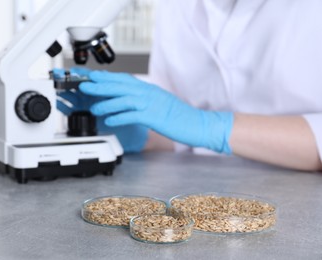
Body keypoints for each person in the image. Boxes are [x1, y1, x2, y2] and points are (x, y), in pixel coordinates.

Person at [57, 0, 322, 172]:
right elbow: (182, 128)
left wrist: (208, 125)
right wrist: (144, 131)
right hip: (202, 187)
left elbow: (194, 123)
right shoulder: (177, 6)